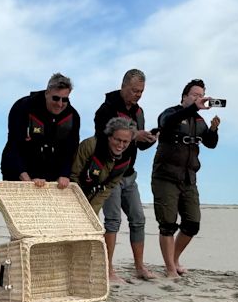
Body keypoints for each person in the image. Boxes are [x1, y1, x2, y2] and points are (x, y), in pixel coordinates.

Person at [150, 79, 220, 278]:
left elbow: (210, 144)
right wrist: (190, 110)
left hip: (189, 178)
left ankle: (174, 259)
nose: (199, 98)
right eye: (195, 95)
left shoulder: (199, 121)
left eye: (201, 95)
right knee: (167, 224)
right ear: (184, 97)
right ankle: (171, 269)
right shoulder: (171, 113)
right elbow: (165, 123)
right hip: (166, 176)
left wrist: (214, 130)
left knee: (192, 223)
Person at [93, 70, 156, 281]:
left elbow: (136, 145)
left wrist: (147, 139)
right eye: (134, 90)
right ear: (123, 86)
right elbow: (101, 139)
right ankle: (108, 270)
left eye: (141, 91)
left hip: (130, 174)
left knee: (138, 219)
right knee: (113, 221)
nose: (137, 95)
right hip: (110, 174)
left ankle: (139, 267)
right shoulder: (107, 108)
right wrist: (134, 134)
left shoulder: (139, 112)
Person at [0, 73, 79, 188]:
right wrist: (24, 176)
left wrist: (64, 174)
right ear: (47, 93)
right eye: (56, 98)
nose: (60, 104)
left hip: (49, 173)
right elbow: (14, 144)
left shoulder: (73, 116)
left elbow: (70, 149)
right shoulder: (22, 107)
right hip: (19, 168)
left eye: (65, 99)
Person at [71, 117, 137, 215]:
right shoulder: (90, 145)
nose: (120, 145)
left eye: (125, 142)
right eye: (117, 140)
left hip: (95, 194)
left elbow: (109, 186)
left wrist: (92, 211)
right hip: (73, 192)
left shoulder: (126, 158)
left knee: (92, 221)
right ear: (109, 136)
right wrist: (80, 204)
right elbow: (73, 175)